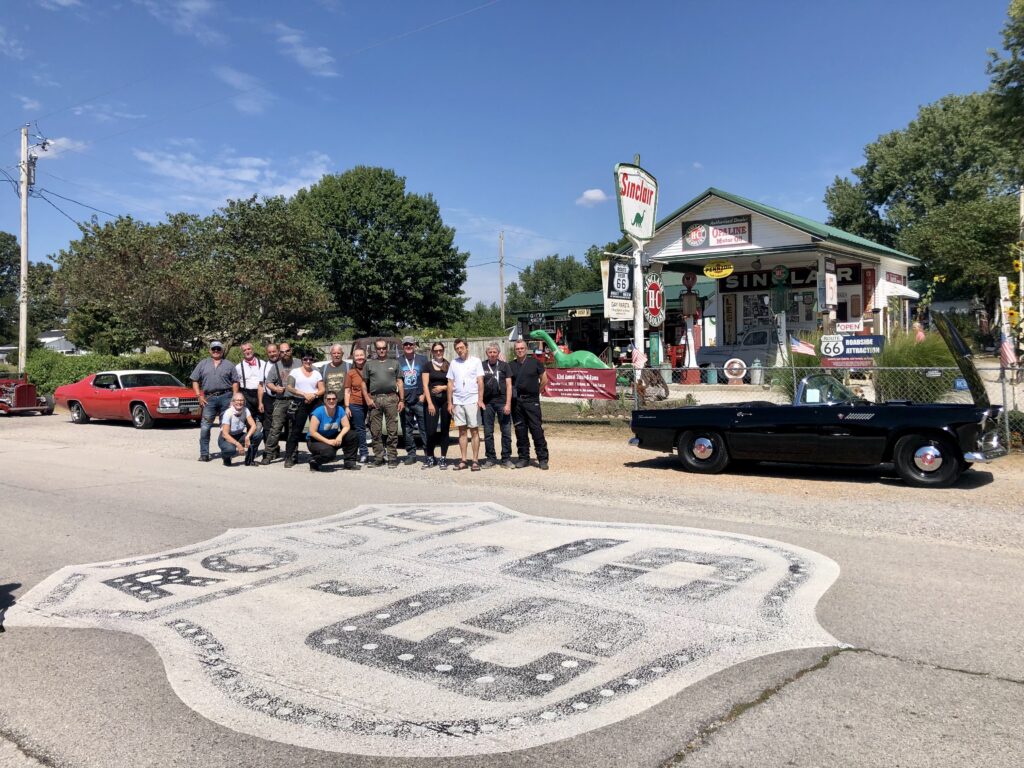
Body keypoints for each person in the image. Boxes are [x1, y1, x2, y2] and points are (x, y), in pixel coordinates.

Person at [190, 341, 239, 462]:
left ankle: (226, 452)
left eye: (218, 349)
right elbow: (194, 380)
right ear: (210, 350)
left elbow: (235, 382)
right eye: (214, 349)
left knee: (225, 426)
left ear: (222, 351)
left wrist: (234, 398)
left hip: (226, 397)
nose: (216, 351)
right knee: (205, 427)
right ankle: (204, 454)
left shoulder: (229, 364)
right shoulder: (203, 364)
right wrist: (199, 396)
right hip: (209, 399)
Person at [364, 339, 404, 468]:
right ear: (375, 349)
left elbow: (399, 382)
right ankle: (378, 458)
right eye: (379, 348)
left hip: (391, 398)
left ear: (387, 348)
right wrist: (368, 399)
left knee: (392, 431)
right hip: (375, 400)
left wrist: (402, 400)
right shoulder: (369, 364)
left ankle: (392, 458)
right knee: (375, 431)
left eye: (384, 348)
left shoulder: (395, 363)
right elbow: (364, 384)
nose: (381, 350)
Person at [510, 338, 549, 470]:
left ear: (526, 349)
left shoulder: (535, 363)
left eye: (522, 348)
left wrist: (536, 392)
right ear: (514, 350)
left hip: (532, 402)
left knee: (536, 430)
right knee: (520, 431)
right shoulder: (511, 365)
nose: (520, 350)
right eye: (517, 349)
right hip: (517, 403)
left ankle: (542, 459)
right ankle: (523, 458)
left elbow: (544, 379)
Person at [446, 338, 484, 471]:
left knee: (474, 430)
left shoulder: (476, 361)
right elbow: (450, 383)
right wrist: (450, 402)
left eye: (461, 347)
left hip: (472, 400)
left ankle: (475, 460)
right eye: (457, 348)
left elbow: (480, 381)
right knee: (462, 431)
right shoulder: (453, 363)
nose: (459, 350)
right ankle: (463, 460)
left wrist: (480, 399)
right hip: (458, 401)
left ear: (467, 347)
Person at [261, 342, 300, 464]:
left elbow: (312, 372)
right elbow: (268, 382)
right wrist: (275, 388)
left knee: (292, 430)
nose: (285, 354)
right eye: (282, 352)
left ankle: (291, 456)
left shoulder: (299, 363)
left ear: (291, 350)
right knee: (275, 429)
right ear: (279, 353)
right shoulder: (276, 366)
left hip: (296, 400)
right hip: (281, 401)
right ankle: (268, 454)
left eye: (287, 351)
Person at [283, 352, 325, 468]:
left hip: (315, 402)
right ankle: (289, 457)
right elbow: (289, 387)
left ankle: (317, 456)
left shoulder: (316, 373)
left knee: (316, 430)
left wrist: (314, 395)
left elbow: (322, 389)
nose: (308, 361)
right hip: (300, 402)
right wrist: (304, 394)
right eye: (305, 359)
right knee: (295, 431)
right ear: (302, 360)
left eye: (310, 359)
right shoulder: (295, 372)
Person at [306, 391, 360, 471]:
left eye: (333, 399)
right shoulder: (318, 412)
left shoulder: (340, 410)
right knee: (330, 454)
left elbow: (346, 426)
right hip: (315, 440)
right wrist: (328, 441)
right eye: (329, 399)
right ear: (325, 401)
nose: (331, 401)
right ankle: (314, 460)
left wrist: (340, 436)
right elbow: (313, 432)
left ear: (336, 400)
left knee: (353, 435)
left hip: (331, 436)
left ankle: (350, 463)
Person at [480, 341, 513, 468]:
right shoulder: (482, 365)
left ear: (498, 353)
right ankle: (490, 458)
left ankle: (506, 459)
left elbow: (509, 385)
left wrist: (508, 404)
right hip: (487, 403)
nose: (492, 354)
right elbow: (478, 383)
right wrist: (480, 400)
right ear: (487, 353)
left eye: (495, 352)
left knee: (506, 431)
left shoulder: (505, 366)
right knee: (488, 432)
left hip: (502, 402)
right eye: (490, 352)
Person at [421, 341, 452, 469]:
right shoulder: (427, 366)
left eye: (440, 350)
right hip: (432, 401)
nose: (438, 352)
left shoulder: (449, 365)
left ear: (443, 351)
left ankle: (443, 458)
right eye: (436, 350)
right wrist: (429, 403)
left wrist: (443, 387)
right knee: (431, 430)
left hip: (446, 400)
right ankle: (430, 457)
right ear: (432, 352)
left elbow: (452, 383)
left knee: (445, 429)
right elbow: (425, 385)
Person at [398, 336, 428, 465]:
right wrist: (400, 399)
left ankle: (428, 454)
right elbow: (396, 381)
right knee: (407, 429)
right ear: (402, 346)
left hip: (419, 399)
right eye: (406, 344)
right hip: (405, 401)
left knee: (424, 428)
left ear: (414, 345)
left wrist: (424, 395)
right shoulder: (398, 361)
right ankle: (411, 454)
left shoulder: (423, 359)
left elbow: (428, 378)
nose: (408, 346)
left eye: (410, 344)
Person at [218, 393, 262, 467]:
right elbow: (225, 434)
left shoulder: (246, 410)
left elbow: (253, 426)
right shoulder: (228, 413)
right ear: (233, 402)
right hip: (226, 437)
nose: (239, 402)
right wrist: (238, 444)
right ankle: (226, 457)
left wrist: (247, 436)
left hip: (239, 435)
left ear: (244, 402)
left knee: (258, 435)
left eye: (241, 400)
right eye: (237, 400)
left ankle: (249, 460)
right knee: (230, 450)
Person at [344, 346, 370, 463]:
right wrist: (347, 406)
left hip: (371, 402)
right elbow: (347, 390)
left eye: (361, 355)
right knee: (360, 429)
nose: (359, 357)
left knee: (375, 428)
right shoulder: (351, 373)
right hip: (355, 403)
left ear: (365, 356)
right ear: (354, 358)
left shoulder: (371, 369)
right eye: (357, 355)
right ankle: (364, 453)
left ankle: (381, 452)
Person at [233, 342, 265, 427]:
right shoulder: (238, 367)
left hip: (261, 393)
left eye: (249, 349)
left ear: (252, 350)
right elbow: (236, 383)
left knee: (264, 418)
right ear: (242, 352)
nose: (247, 351)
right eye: (244, 350)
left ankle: (262, 434)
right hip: (246, 394)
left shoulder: (263, 363)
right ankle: (250, 435)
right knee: (249, 420)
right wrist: (235, 397)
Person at [258, 343, 281, 439]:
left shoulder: (285, 364)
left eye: (274, 351)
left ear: (278, 351)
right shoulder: (264, 366)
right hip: (269, 398)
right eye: (270, 352)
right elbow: (260, 385)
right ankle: (269, 446)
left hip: (284, 398)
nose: (272, 354)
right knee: (268, 424)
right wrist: (260, 402)